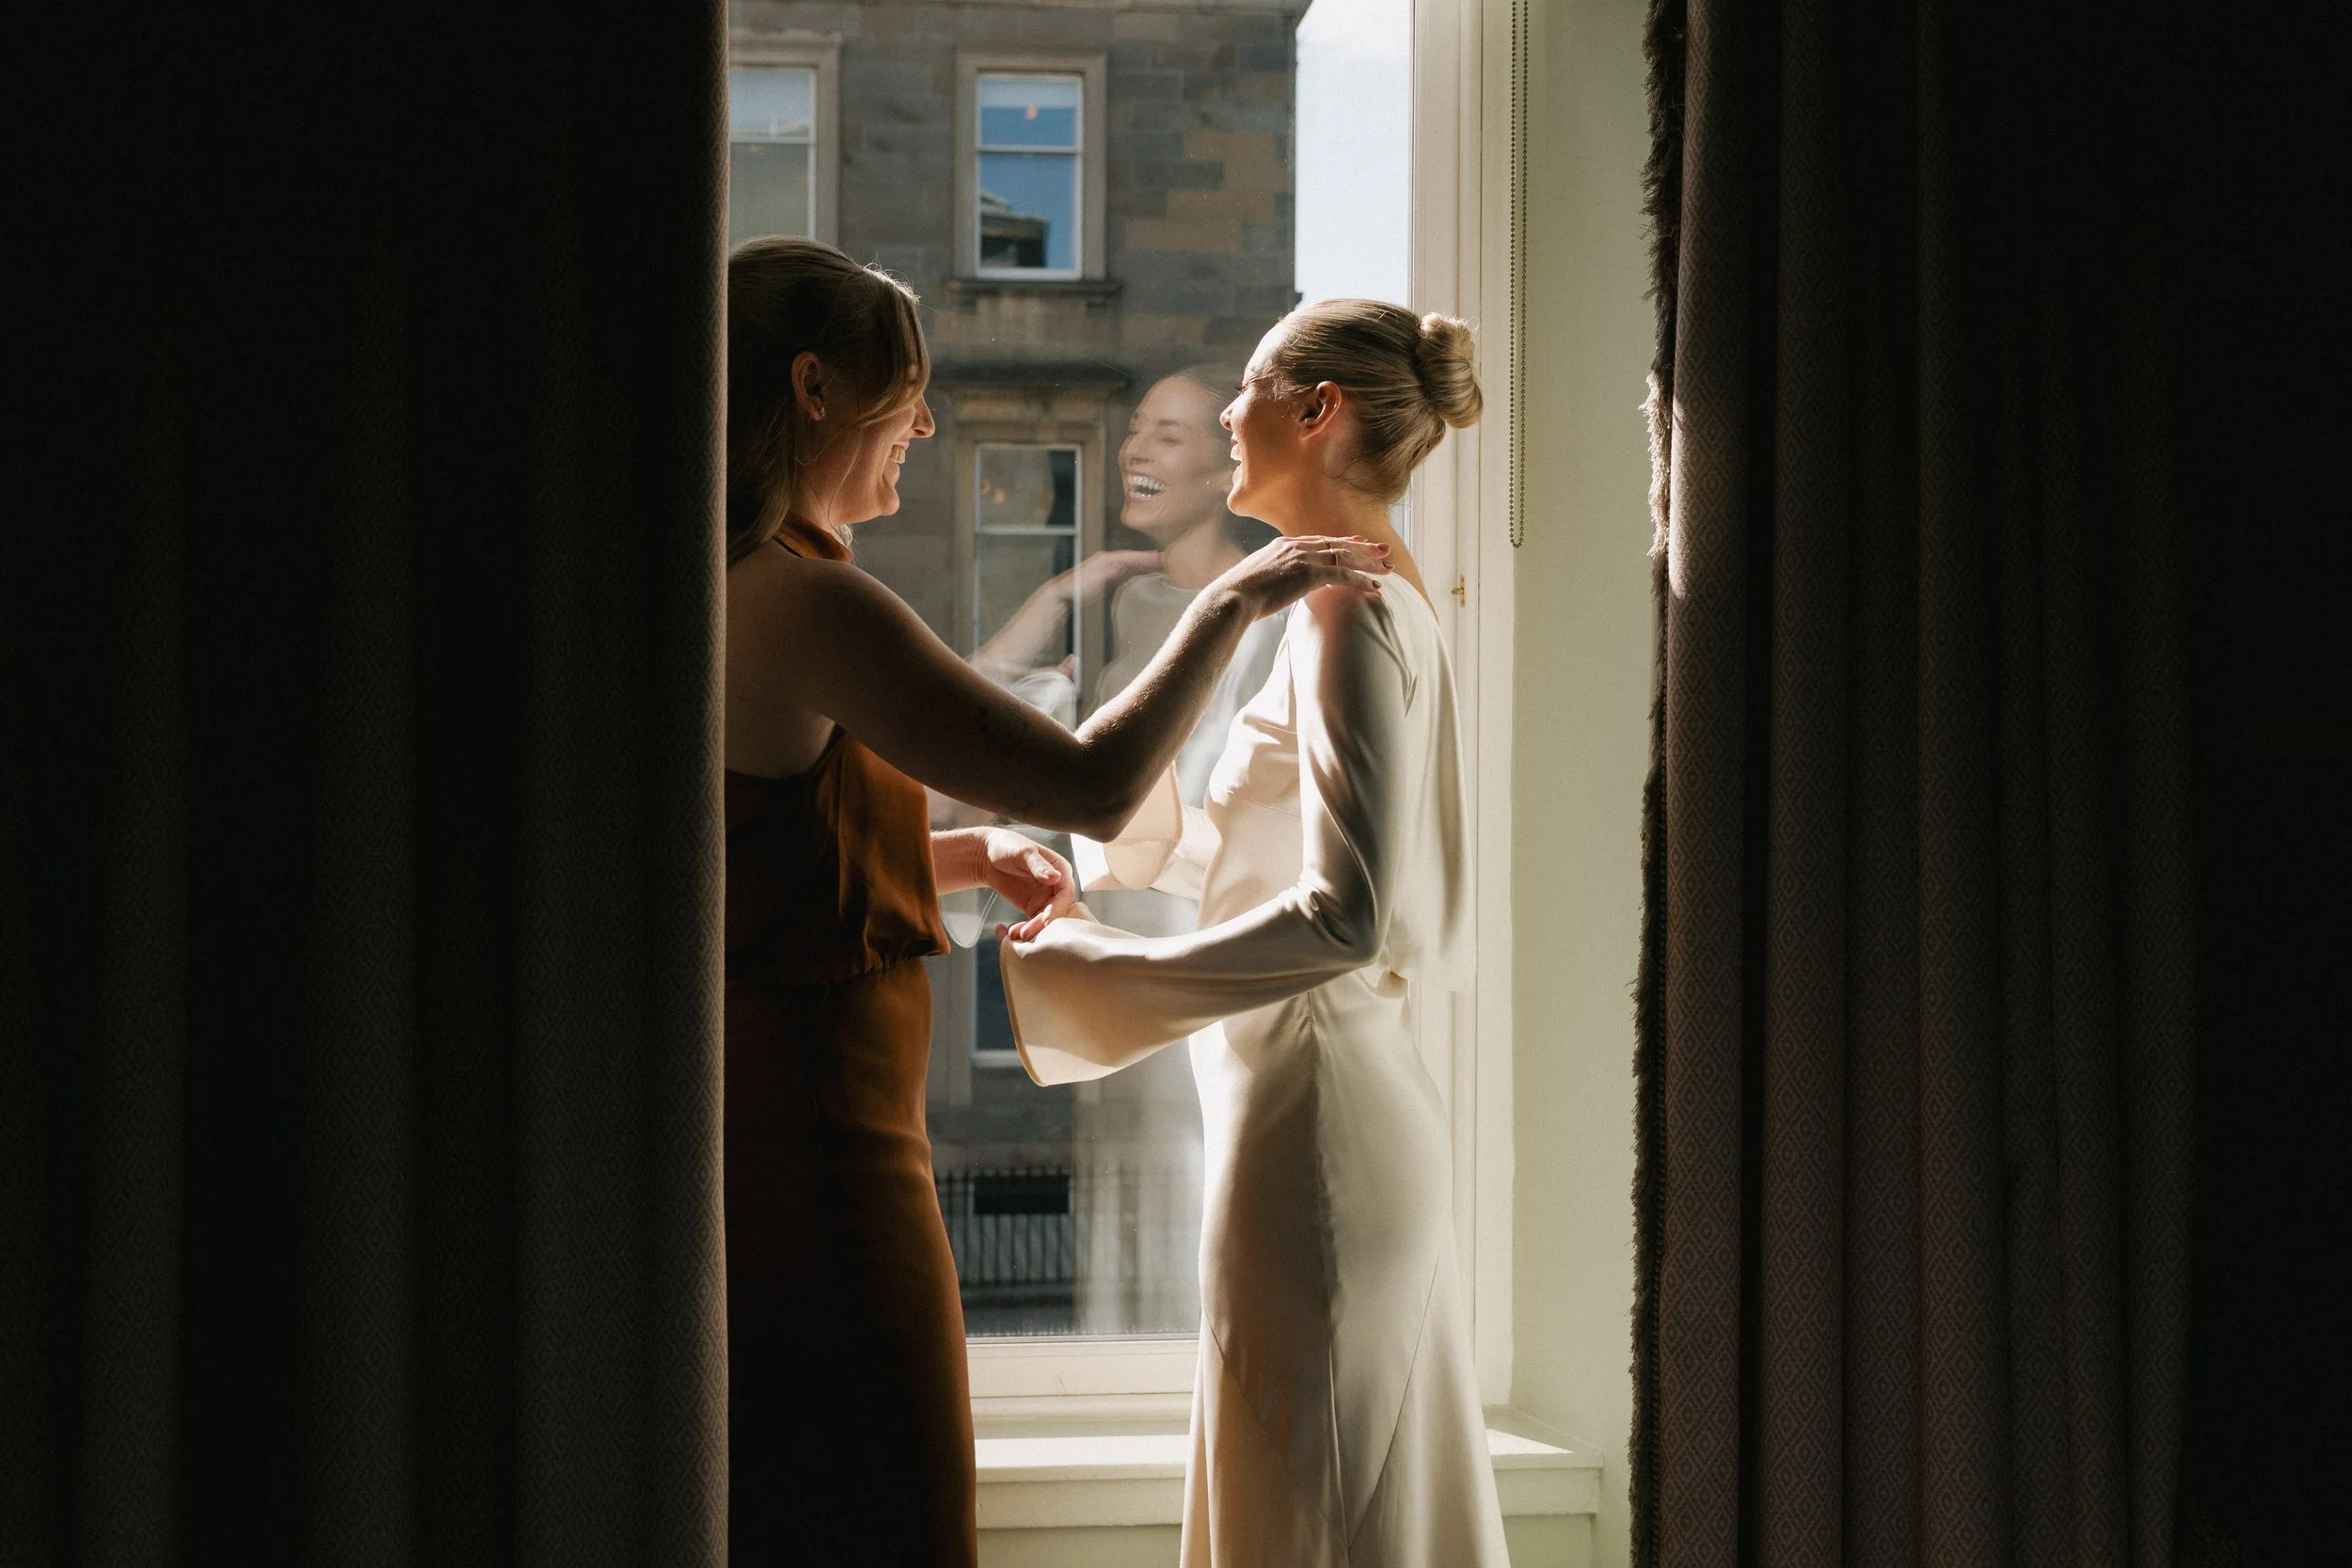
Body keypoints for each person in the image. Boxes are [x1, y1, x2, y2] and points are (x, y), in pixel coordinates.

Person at [719, 238, 1390, 1568]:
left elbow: (771, 856)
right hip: (826, 1160)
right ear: (810, 389)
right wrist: (1236, 598)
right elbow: (1090, 784)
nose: (924, 423)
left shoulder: (751, 584)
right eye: (904, 393)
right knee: (883, 1512)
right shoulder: (808, 601)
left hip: (805, 1135)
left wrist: (958, 863)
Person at [997, 299, 1505, 1567]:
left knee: (1315, 1497)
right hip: (1300, 1103)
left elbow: (1348, 913)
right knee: (1314, 1483)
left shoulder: (1345, 610)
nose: (1228, 415)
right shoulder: (1335, 602)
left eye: (1249, 389)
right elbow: (1249, 857)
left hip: (1317, 1125)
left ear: (1318, 411)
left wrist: (1103, 976)